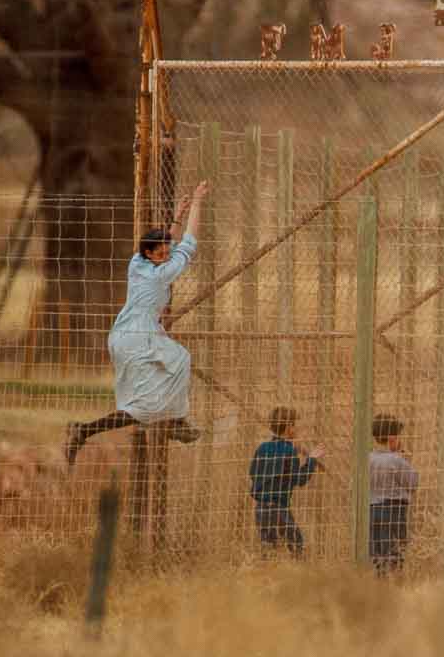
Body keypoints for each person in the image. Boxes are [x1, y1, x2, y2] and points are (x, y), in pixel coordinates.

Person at [66, 181, 212, 466]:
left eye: (166, 251)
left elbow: (167, 242)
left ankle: (173, 419)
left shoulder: (137, 263)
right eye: (161, 254)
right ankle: (87, 429)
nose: (166, 255)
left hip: (126, 335)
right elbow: (189, 243)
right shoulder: (161, 273)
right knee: (146, 404)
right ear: (149, 254)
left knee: (178, 361)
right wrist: (196, 203)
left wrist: (176, 219)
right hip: (138, 339)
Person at [248, 406, 323, 555]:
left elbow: (253, 473)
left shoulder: (262, 448)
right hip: (279, 508)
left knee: (269, 549)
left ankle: (267, 575)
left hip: (260, 508)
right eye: (295, 425)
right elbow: (299, 480)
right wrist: (312, 460)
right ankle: (297, 574)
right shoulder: (290, 450)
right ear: (289, 427)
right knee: (296, 544)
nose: (297, 428)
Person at [368, 413, 419, 572]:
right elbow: (412, 483)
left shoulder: (368, 458)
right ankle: (392, 586)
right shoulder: (396, 460)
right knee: (393, 553)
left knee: (376, 553)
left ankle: (377, 584)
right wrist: (404, 459)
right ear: (392, 438)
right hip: (393, 511)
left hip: (371, 509)